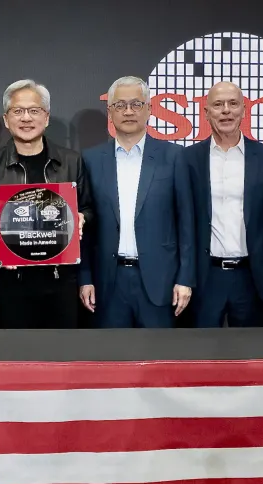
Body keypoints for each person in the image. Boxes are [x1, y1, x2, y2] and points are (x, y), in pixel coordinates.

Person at [0, 79, 94, 329]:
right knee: (15, 359)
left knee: (60, 359)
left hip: (60, 281)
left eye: (34, 110)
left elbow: (89, 209)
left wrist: (82, 218)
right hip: (9, 283)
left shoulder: (71, 162)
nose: (26, 118)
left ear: (46, 117)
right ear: (6, 119)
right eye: (18, 111)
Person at [79, 76, 195, 327]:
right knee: (111, 362)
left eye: (136, 104)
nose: (128, 111)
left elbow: (186, 223)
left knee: (159, 362)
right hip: (108, 282)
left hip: (160, 281)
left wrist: (185, 278)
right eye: (120, 105)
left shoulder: (174, 157)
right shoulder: (90, 160)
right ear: (109, 112)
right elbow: (85, 227)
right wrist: (85, 276)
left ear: (150, 109)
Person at [181, 81, 263, 327]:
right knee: (201, 357)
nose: (226, 110)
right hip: (204, 277)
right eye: (218, 105)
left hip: (252, 277)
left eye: (233, 104)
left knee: (250, 359)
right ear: (206, 112)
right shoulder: (188, 159)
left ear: (243, 110)